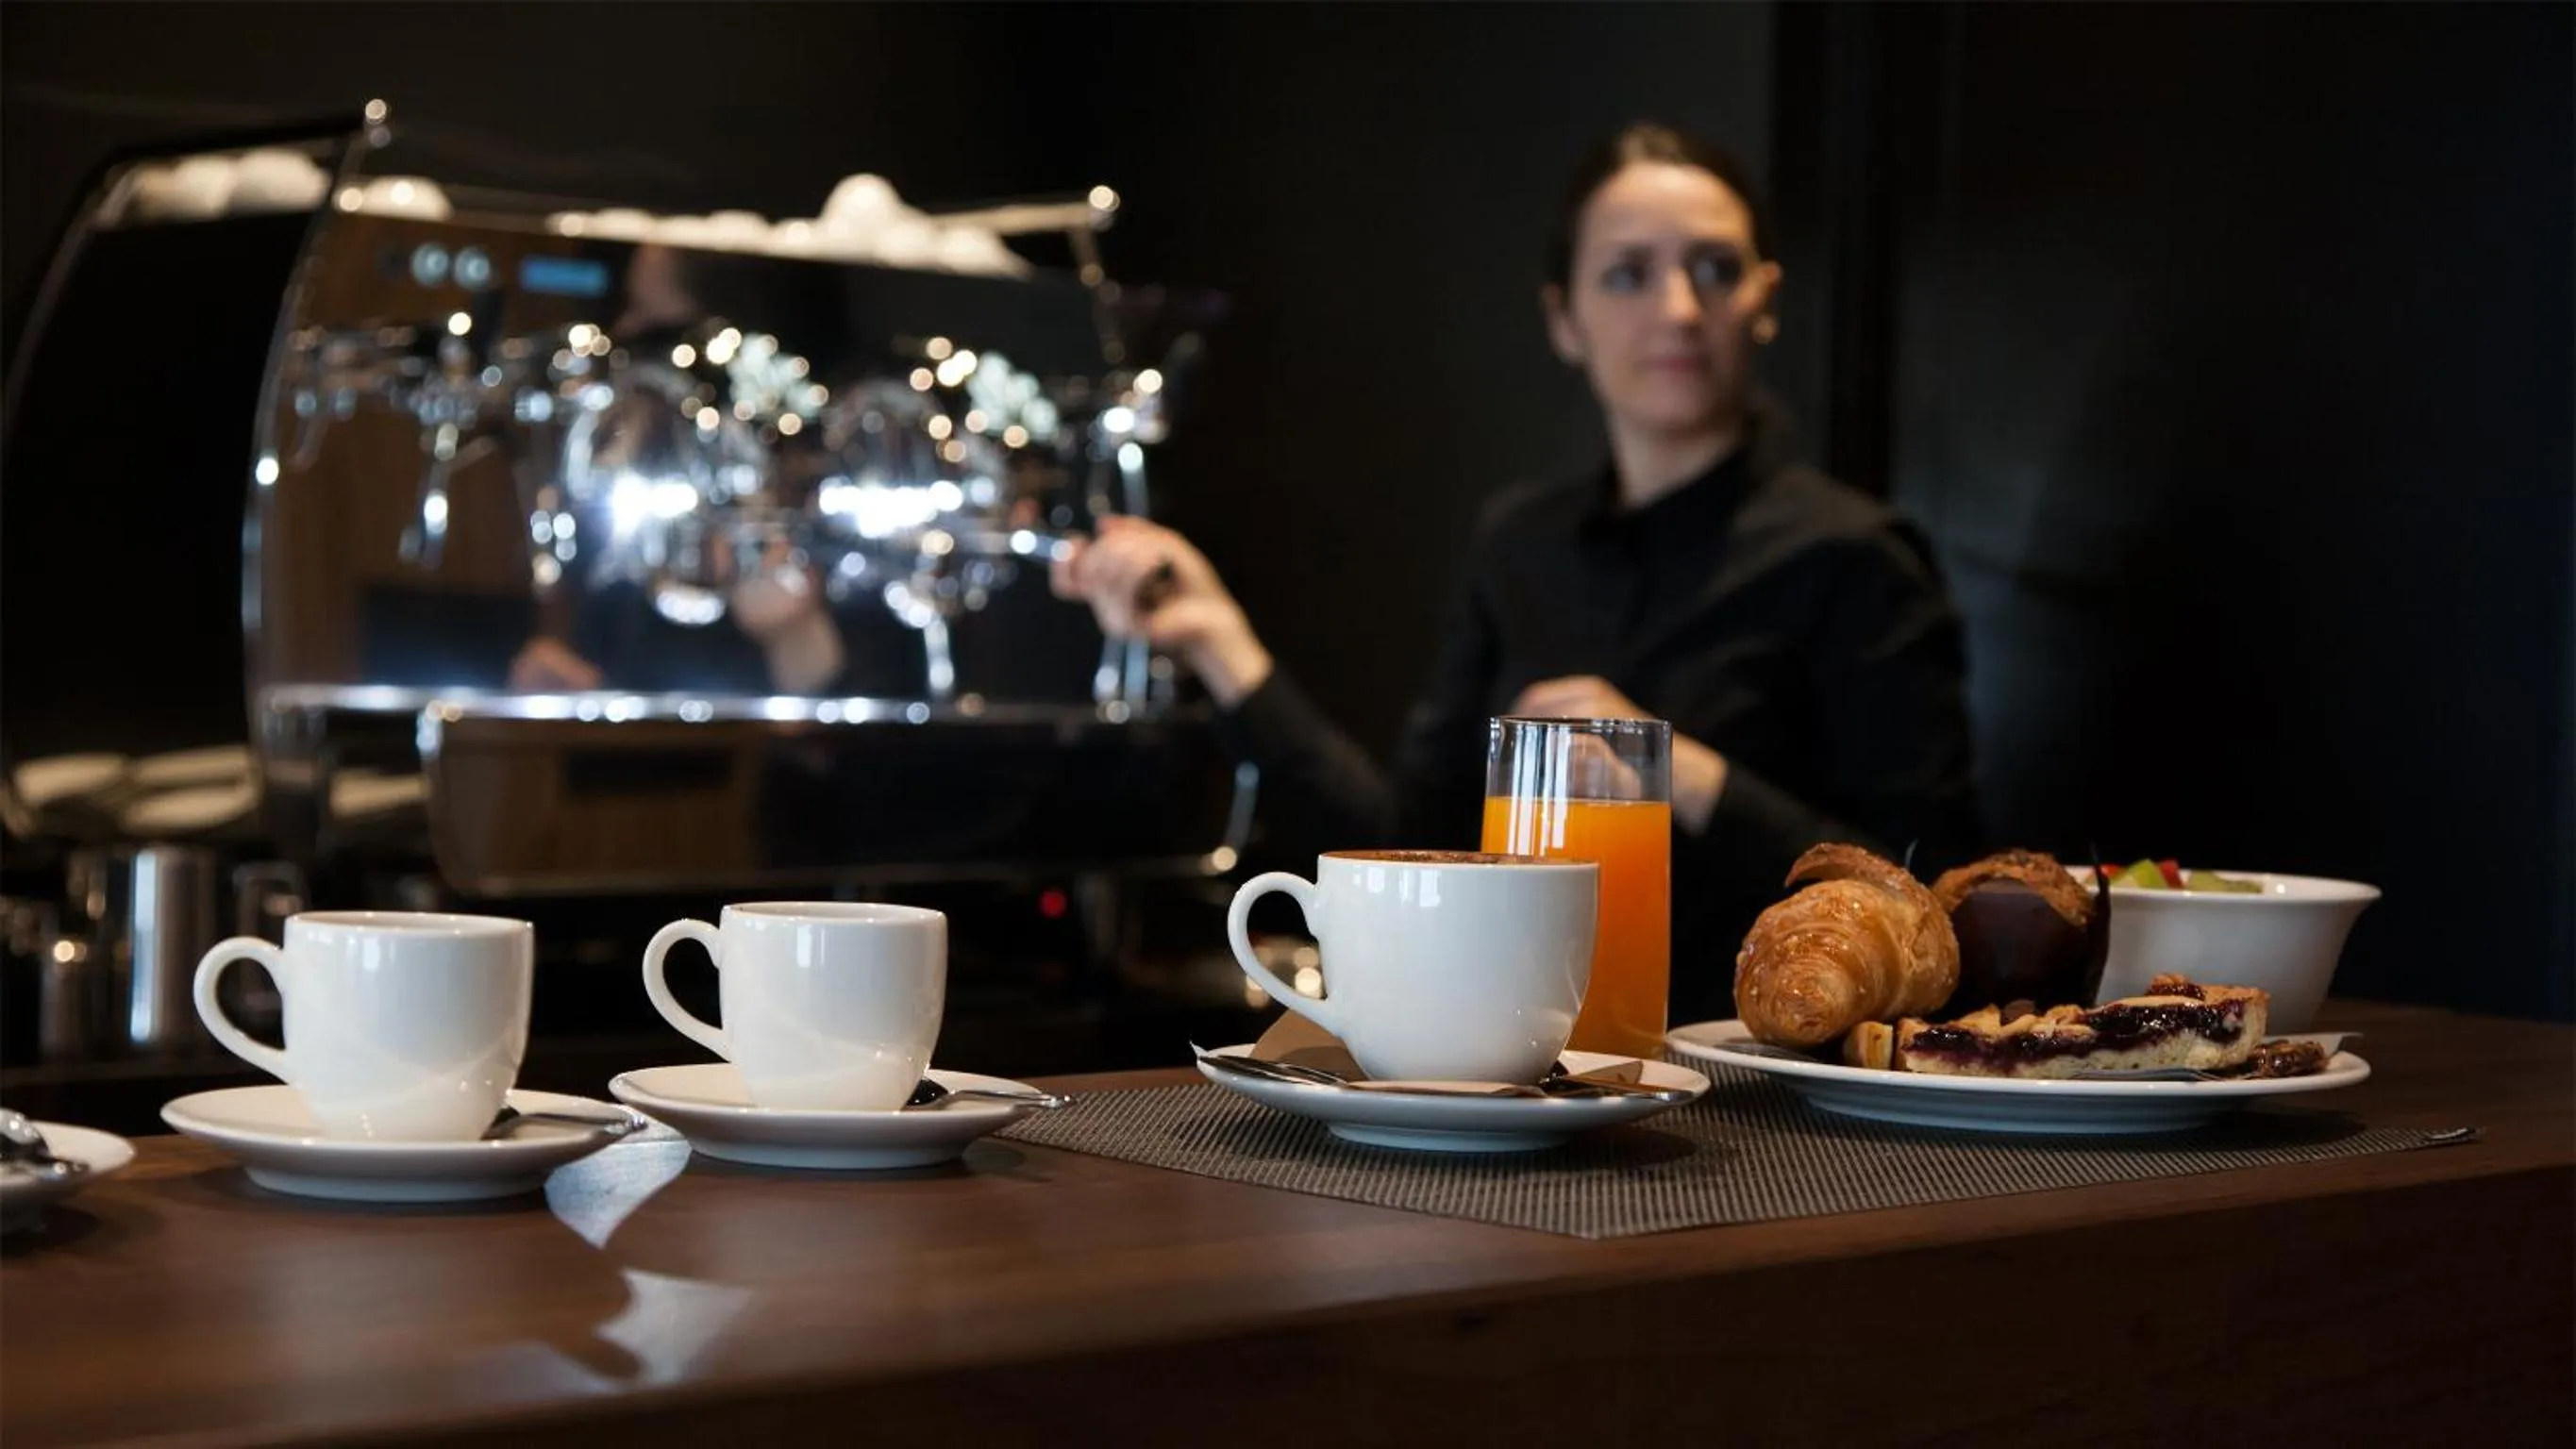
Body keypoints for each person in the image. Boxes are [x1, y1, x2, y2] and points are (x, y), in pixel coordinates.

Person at [1052, 122, 1981, 1019]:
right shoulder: (1519, 546)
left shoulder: (1855, 555)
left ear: (1767, 299)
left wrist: (1687, 777)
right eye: (1628, 274)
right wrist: (1222, 644)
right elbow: (1405, 847)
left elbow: (1931, 905)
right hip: (1522, 1082)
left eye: (1717, 269)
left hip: (1751, 1102)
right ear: (1563, 319)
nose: (1680, 309)